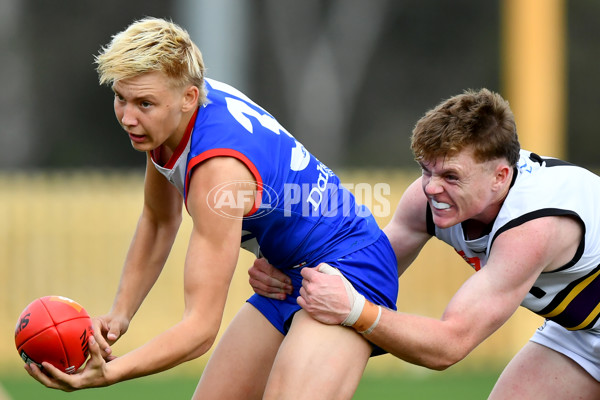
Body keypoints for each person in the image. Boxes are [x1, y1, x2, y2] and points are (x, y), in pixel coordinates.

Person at [23, 17, 399, 399]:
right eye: (121, 97)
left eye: (144, 104)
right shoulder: (174, 113)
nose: (128, 118)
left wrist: (112, 372)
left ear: (188, 96)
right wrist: (120, 315)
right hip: (290, 275)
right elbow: (158, 220)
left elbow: (200, 329)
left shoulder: (218, 170)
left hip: (351, 272)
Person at [250, 88, 600, 399]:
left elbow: (449, 345)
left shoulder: (533, 226)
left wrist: (355, 311)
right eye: (426, 170)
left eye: (450, 176)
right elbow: (362, 269)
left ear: (500, 177)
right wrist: (288, 278)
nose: (431, 188)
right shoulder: (430, 199)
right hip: (581, 334)